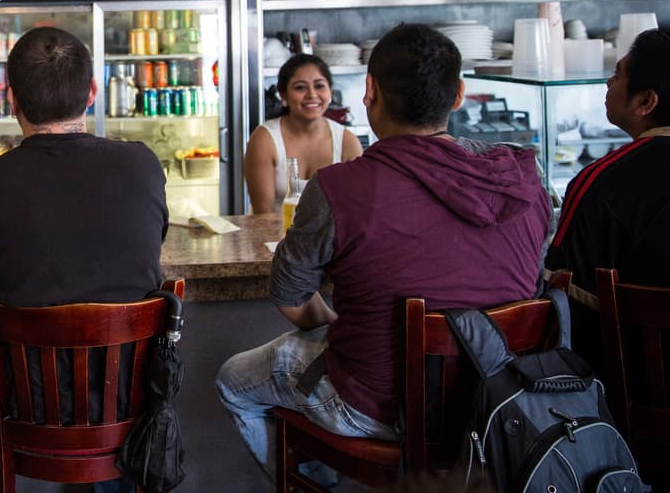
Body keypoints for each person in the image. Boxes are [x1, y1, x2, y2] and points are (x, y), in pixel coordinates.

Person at [216, 24, 550, 485]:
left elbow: (289, 293)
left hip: (377, 403)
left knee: (233, 380)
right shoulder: (525, 177)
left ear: (369, 91)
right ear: (458, 95)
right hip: (502, 401)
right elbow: (539, 278)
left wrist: (333, 327)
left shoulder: (339, 187)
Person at [0, 26, 167, 493]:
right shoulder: (142, 164)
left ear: (11, 100)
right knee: (112, 385)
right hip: (128, 391)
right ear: (92, 92)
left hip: (22, 399)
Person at [545, 27, 670, 366]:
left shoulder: (600, 182)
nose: (608, 83)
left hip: (638, 384)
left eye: (617, 75)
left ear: (645, 102)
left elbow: (565, 297)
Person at [244, 54, 363, 213]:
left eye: (319, 86)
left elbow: (355, 210)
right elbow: (263, 213)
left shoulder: (347, 142)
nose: (312, 95)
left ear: (330, 91)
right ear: (283, 95)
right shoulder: (264, 139)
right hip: (277, 229)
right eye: (300, 87)